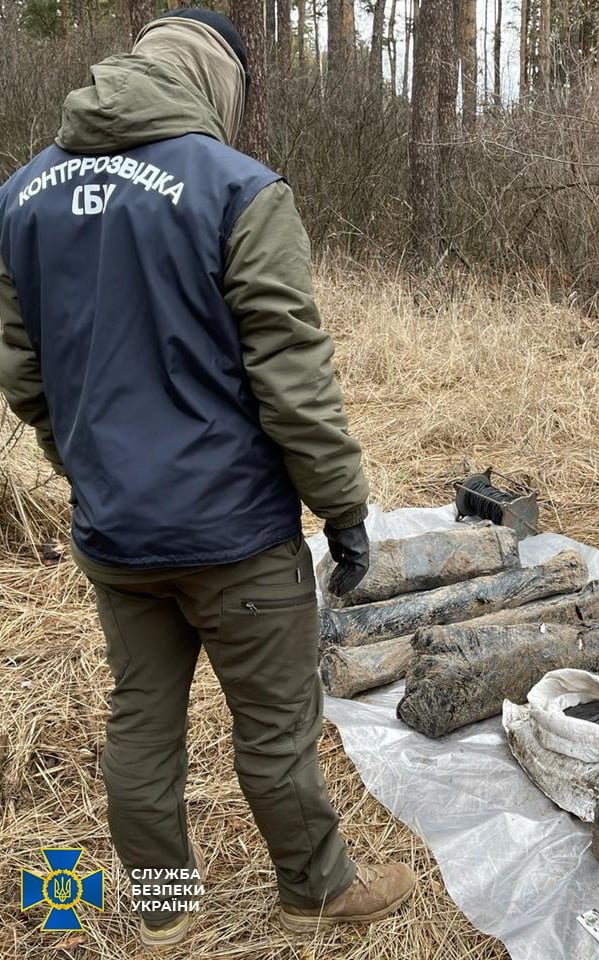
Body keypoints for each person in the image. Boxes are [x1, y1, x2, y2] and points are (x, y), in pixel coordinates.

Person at [0, 9, 415, 949]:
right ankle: (314, 887)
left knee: (140, 725)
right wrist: (342, 507)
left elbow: (25, 374)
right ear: (214, 80)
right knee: (275, 730)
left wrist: (89, 468)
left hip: (115, 532)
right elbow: (292, 373)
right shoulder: (237, 189)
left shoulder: (21, 198)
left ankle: (160, 909)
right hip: (234, 535)